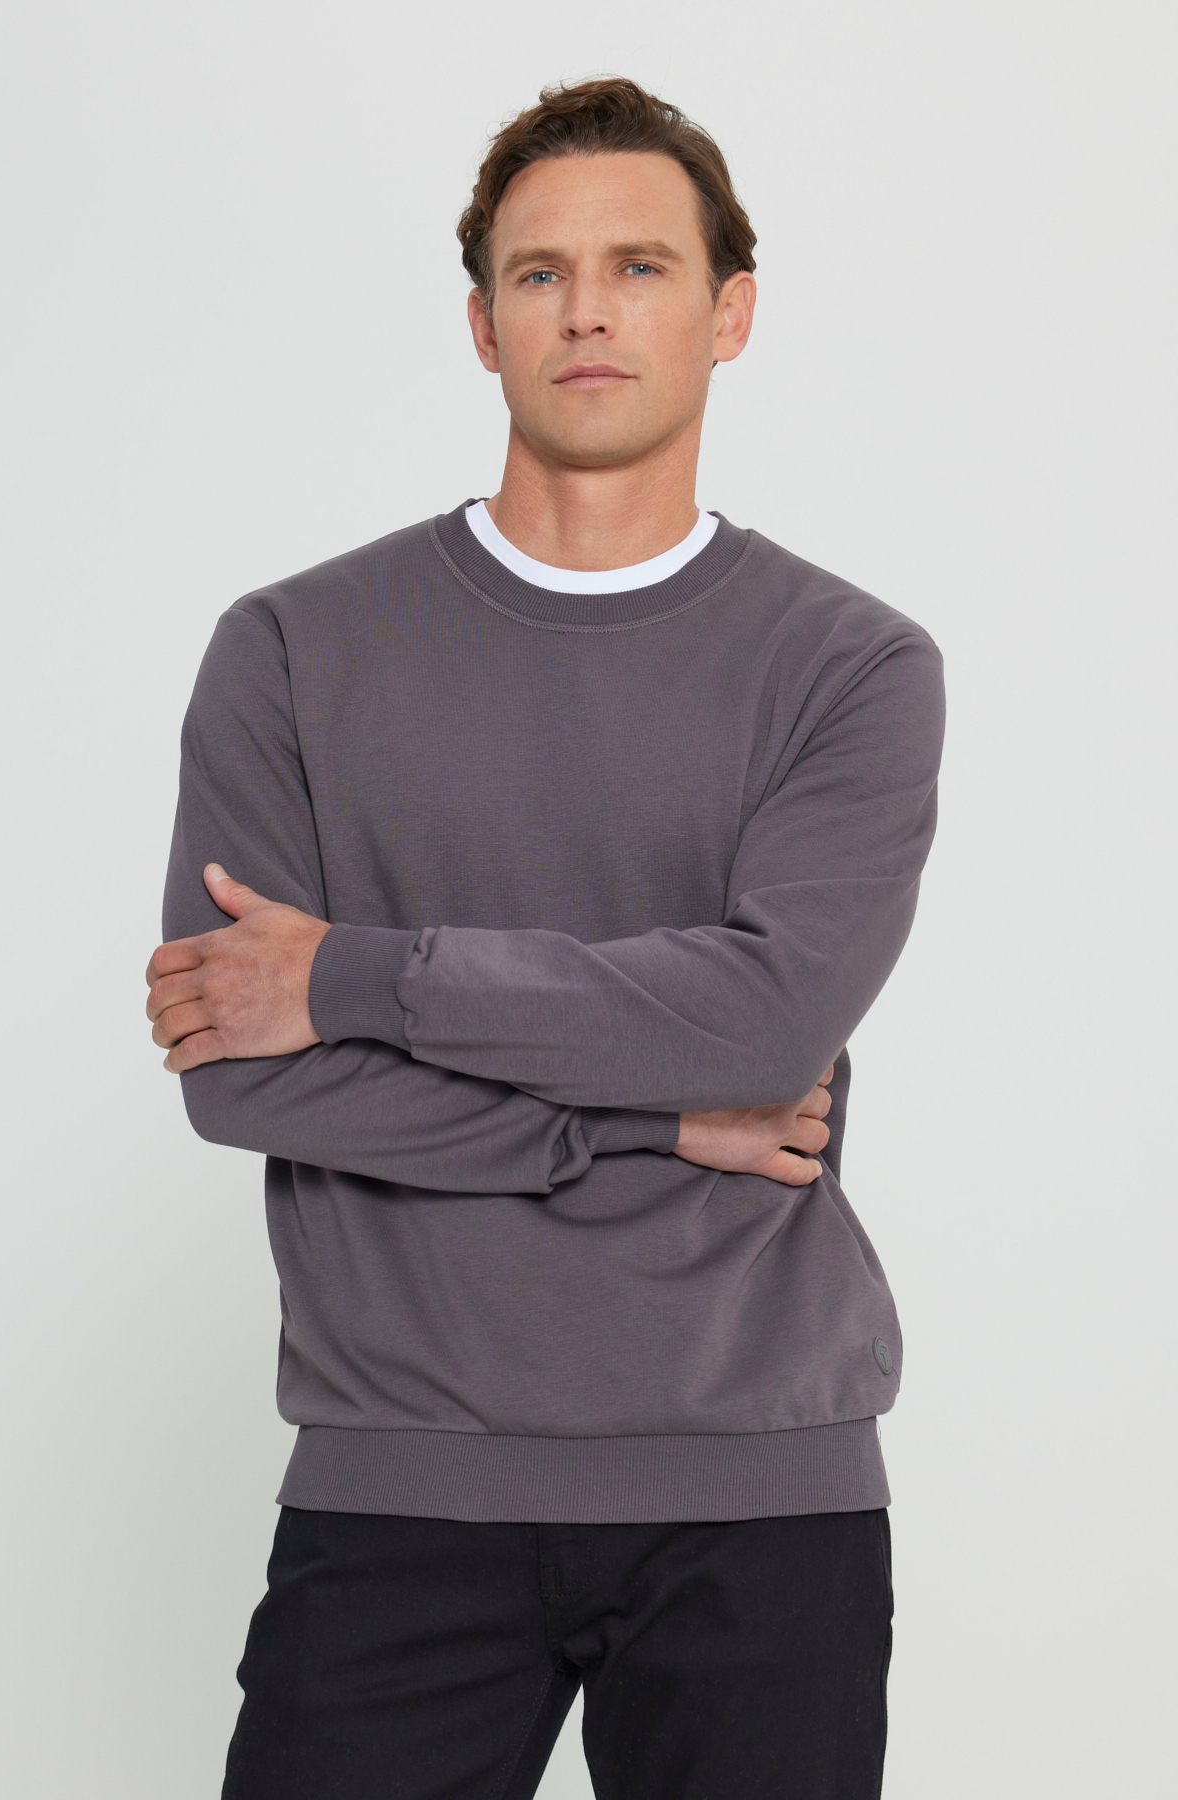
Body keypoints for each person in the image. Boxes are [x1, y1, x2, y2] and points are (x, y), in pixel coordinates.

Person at [146, 76, 944, 1800]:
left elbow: (766, 1023)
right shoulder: (290, 648)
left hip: (759, 1494)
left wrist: (350, 975)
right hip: (401, 1484)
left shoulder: (854, 666)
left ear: (729, 312)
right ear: (482, 324)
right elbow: (238, 1075)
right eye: (540, 273)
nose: (588, 310)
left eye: (640, 266)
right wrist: (651, 1122)